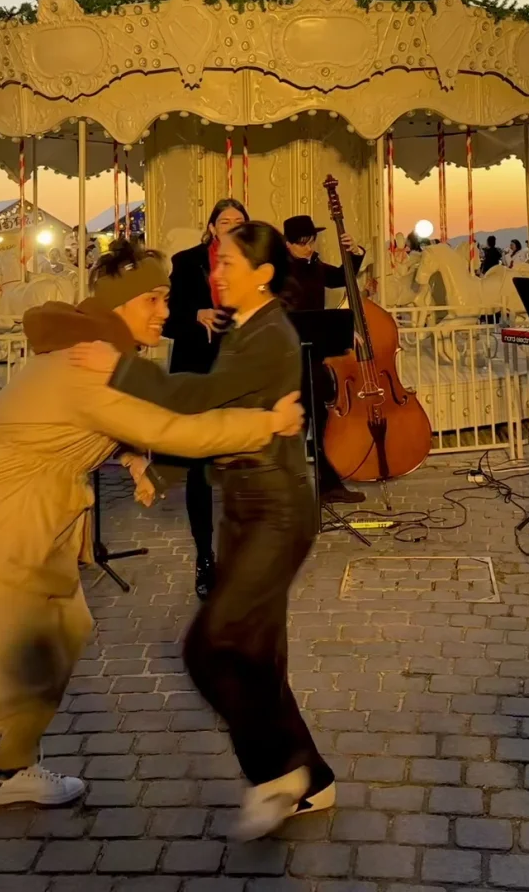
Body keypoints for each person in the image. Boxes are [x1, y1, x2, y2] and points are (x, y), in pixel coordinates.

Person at [0, 239, 301, 817]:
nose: (165, 310)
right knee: (31, 666)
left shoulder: (96, 351)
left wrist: (130, 456)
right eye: (153, 299)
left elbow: (83, 424)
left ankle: (10, 772)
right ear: (117, 305)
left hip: (38, 526)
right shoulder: (88, 366)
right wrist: (267, 424)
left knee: (67, 636)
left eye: (166, 298)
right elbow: (175, 430)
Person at [74, 223, 334, 841]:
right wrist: (156, 468)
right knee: (258, 656)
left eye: (229, 265)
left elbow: (201, 396)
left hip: (276, 509)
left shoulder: (271, 334)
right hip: (245, 504)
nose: (216, 275)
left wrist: (121, 370)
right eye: (216, 263)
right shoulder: (245, 328)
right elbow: (220, 413)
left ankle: (277, 775)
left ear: (263, 274)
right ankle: (313, 780)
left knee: (209, 646)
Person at [165, 198, 249, 599]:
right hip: (199, 374)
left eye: (239, 220)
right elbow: (167, 320)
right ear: (213, 227)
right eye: (225, 220)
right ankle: (205, 557)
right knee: (200, 469)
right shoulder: (186, 262)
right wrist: (196, 315)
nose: (231, 225)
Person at [280, 214, 367, 505]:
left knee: (320, 423)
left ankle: (328, 486)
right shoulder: (280, 272)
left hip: (314, 358)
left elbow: (342, 277)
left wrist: (354, 252)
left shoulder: (315, 265)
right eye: (302, 243)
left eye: (312, 241)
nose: (309, 247)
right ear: (288, 243)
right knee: (296, 427)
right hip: (290, 361)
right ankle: (288, 492)